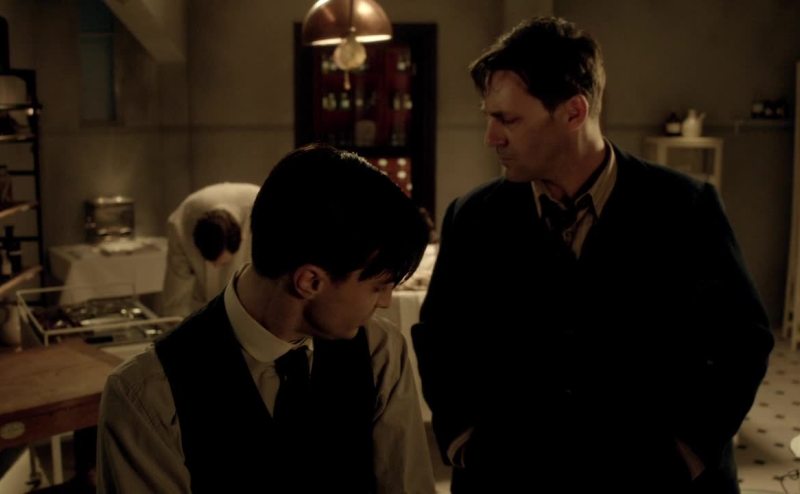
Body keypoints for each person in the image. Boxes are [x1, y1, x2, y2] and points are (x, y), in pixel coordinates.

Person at [412, 16, 773, 493]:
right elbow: (440, 339)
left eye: (508, 119)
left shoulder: (685, 207)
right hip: (513, 475)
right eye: (489, 117)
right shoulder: (472, 217)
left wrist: (688, 452)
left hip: (653, 479)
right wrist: (464, 440)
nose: (491, 137)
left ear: (574, 112)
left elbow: (742, 340)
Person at [97, 144, 436, 493]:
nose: (386, 302)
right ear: (310, 281)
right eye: (379, 286)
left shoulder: (380, 353)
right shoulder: (148, 395)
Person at [162, 182, 260, 317]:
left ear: (241, 239)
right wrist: (174, 326)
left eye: (224, 263)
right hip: (203, 309)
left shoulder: (266, 212)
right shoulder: (181, 224)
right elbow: (176, 298)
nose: (215, 267)